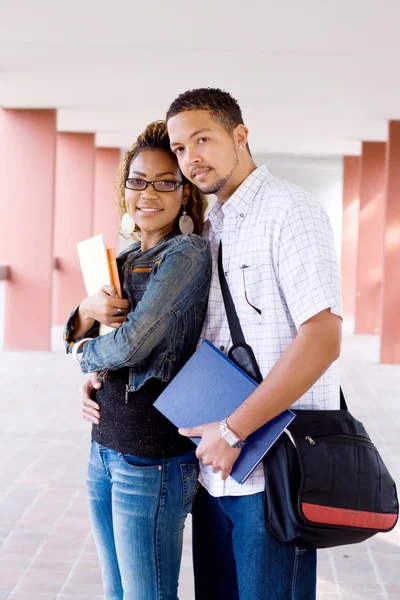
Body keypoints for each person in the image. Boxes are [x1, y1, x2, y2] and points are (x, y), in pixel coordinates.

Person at [83, 89, 342, 600]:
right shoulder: (210, 227)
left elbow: (323, 340)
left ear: (240, 136)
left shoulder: (291, 211)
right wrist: (101, 376)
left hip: (271, 467)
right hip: (212, 469)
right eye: (180, 148)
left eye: (203, 139)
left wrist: (232, 428)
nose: (190, 157)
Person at [64, 120, 211, 600]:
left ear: (186, 192)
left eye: (166, 181)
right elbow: (93, 338)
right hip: (104, 448)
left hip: (151, 457)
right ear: (124, 188)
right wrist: (86, 316)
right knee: (116, 592)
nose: (149, 192)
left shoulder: (186, 253)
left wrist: (87, 356)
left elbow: (130, 346)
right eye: (138, 180)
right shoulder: (125, 259)